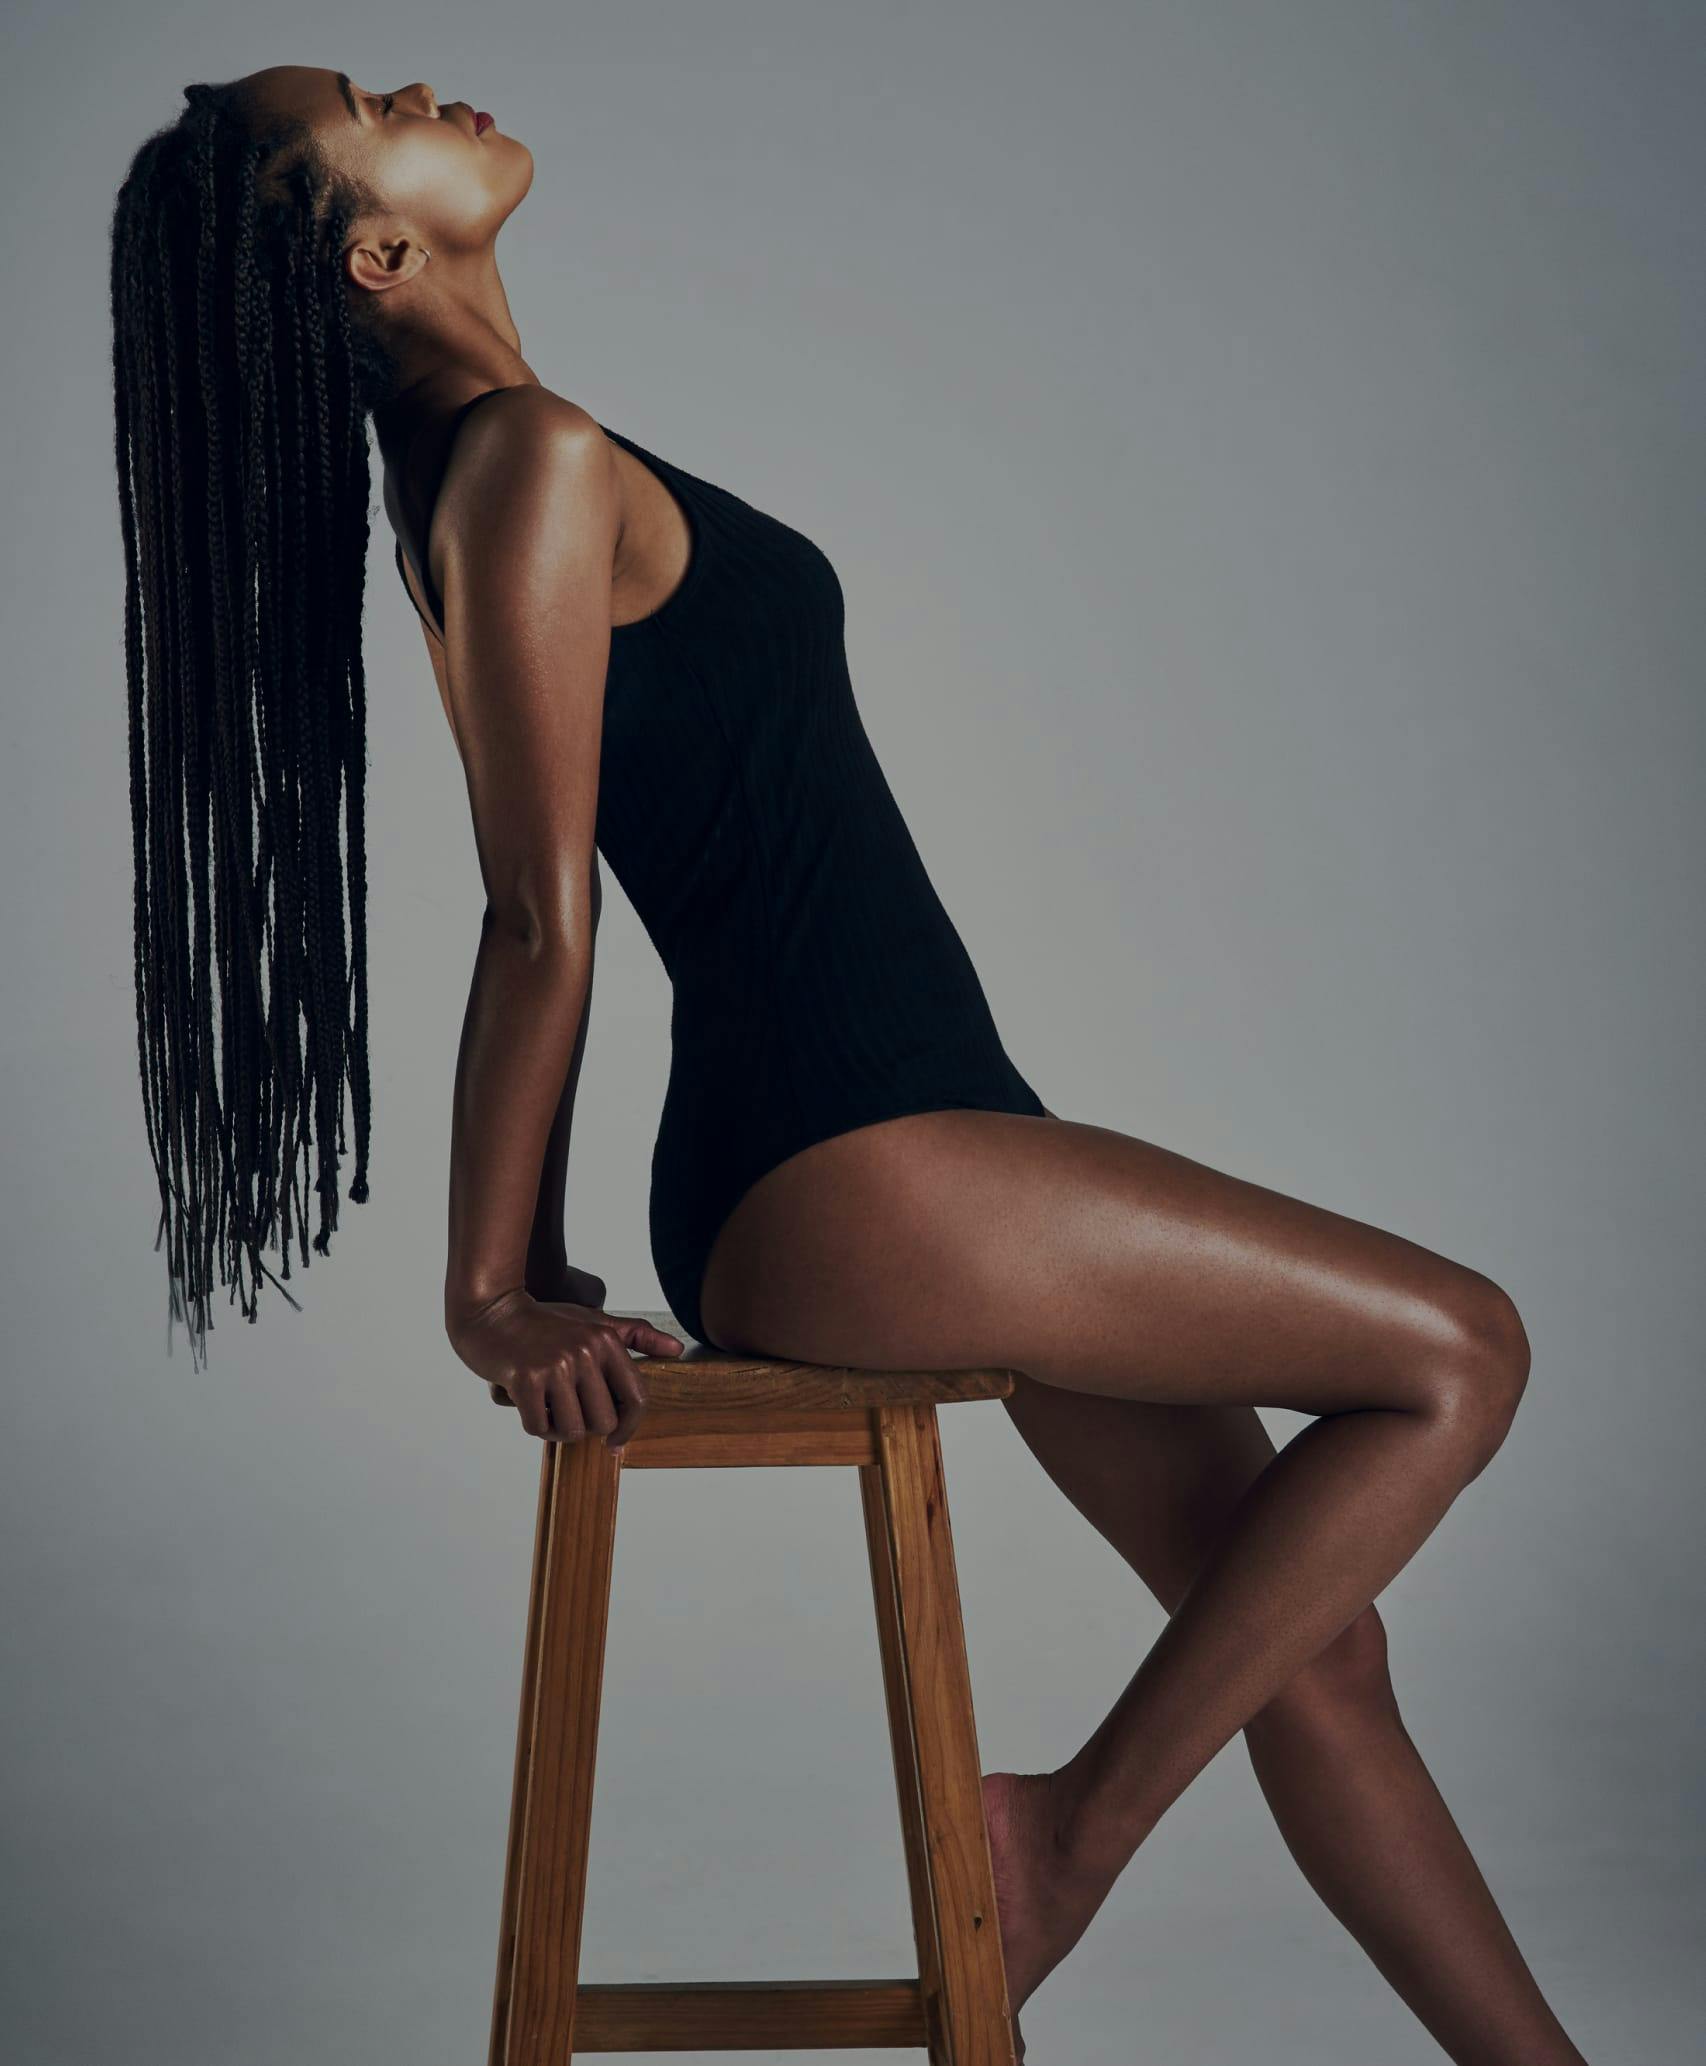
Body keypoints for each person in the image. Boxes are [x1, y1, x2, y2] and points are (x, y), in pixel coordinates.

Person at [109, 67, 1587, 2062]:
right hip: (850, 1160)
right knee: (1458, 1349)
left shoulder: (493, 476)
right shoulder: (523, 463)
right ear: (379, 250)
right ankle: (1059, 1836)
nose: (424, 85)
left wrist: (527, 1258)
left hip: (912, 1141)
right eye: (372, 106)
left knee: (1317, 1654)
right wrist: (488, 1290)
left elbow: (550, 897)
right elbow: (537, 913)